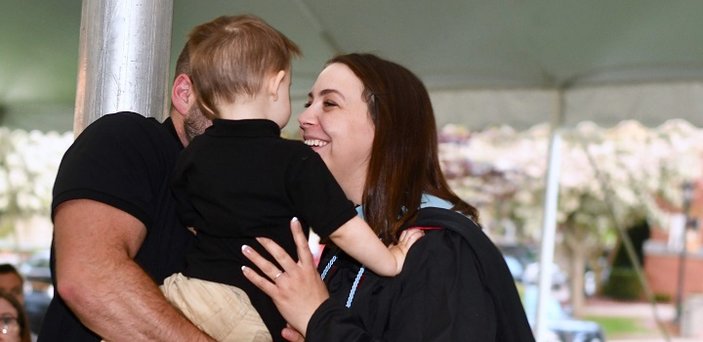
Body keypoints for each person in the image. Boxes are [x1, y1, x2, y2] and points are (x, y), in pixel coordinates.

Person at [241, 53, 535, 341]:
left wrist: (318, 317)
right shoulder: (353, 242)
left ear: (385, 128)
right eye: (308, 102)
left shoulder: (440, 249)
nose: (303, 117)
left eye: (329, 103)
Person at [166, 15, 420, 342]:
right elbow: (342, 230)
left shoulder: (191, 154)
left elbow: (190, 219)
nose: (303, 114)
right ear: (275, 84)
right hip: (245, 309)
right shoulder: (294, 160)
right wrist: (391, 260)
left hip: (189, 291)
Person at [36, 16, 233, 342]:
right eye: (235, 101)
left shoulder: (236, 200)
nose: (251, 124)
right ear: (185, 94)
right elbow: (90, 277)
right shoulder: (128, 140)